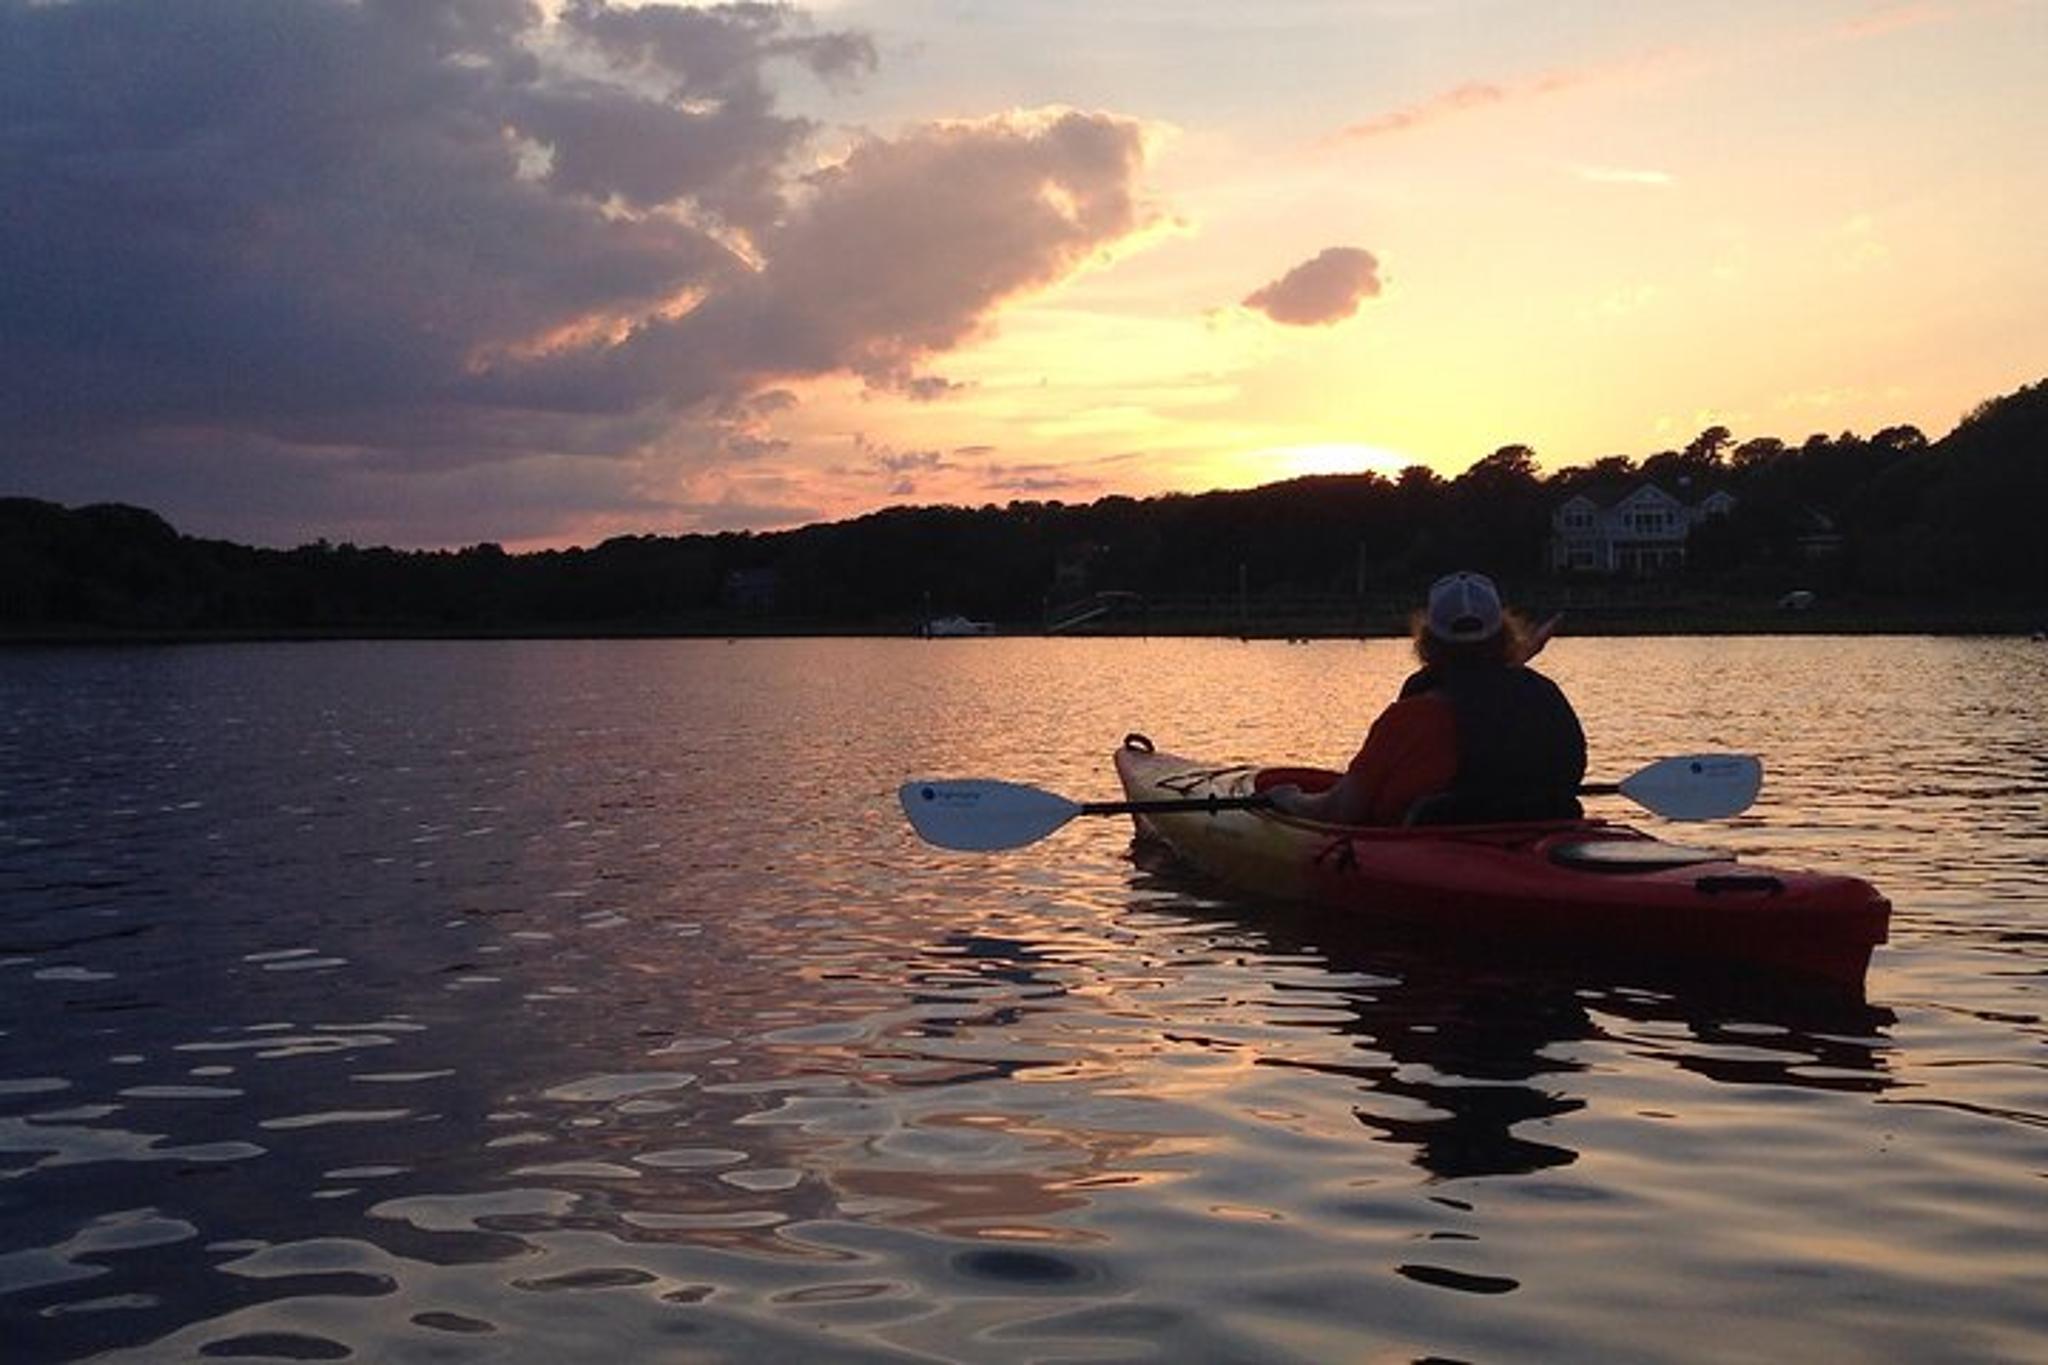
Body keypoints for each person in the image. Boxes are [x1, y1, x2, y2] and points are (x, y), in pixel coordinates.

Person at [1270, 571, 1585, 825]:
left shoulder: (1409, 719)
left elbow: (1339, 813)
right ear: (1504, 634)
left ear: (1428, 640)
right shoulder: (1547, 698)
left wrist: (1289, 800)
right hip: (1546, 837)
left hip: (1438, 853)